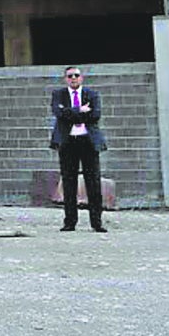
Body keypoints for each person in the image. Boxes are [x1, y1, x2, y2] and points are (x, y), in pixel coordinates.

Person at [50, 67, 107, 232]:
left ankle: (96, 222)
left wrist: (70, 114)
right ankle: (70, 222)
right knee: (69, 182)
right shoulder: (58, 95)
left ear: (81, 78)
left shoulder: (92, 94)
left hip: (88, 142)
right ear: (65, 79)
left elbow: (95, 115)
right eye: (70, 76)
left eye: (76, 75)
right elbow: (59, 114)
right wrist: (79, 110)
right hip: (68, 142)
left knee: (93, 182)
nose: (73, 78)